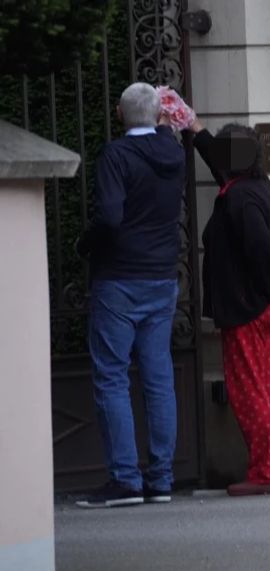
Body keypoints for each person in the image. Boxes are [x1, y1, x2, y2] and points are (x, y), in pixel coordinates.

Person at [75, 82, 185, 508]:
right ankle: (161, 478)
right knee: (159, 379)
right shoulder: (173, 153)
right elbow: (165, 130)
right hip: (162, 277)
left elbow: (110, 217)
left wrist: (86, 246)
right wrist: (167, 118)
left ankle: (124, 479)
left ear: (120, 115)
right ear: (159, 118)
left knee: (112, 377)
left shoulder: (117, 156)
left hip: (119, 278)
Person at [189, 117, 270, 496]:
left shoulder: (239, 196)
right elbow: (221, 165)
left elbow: (261, 249)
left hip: (249, 306)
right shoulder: (254, 185)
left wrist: (268, 287)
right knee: (268, 387)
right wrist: (194, 129)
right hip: (263, 303)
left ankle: (265, 474)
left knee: (249, 390)